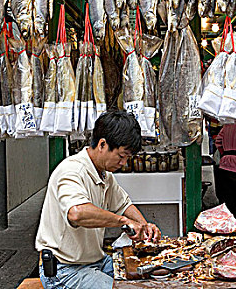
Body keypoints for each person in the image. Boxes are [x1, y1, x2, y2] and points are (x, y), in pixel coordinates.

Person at [36, 110, 162, 289]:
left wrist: (144, 227)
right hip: (64, 271)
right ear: (102, 144)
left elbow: (123, 204)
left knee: (149, 279)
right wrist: (123, 221)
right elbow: (77, 213)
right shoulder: (72, 171)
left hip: (95, 261)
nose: (123, 163)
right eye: (121, 156)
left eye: (127, 158)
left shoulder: (104, 175)